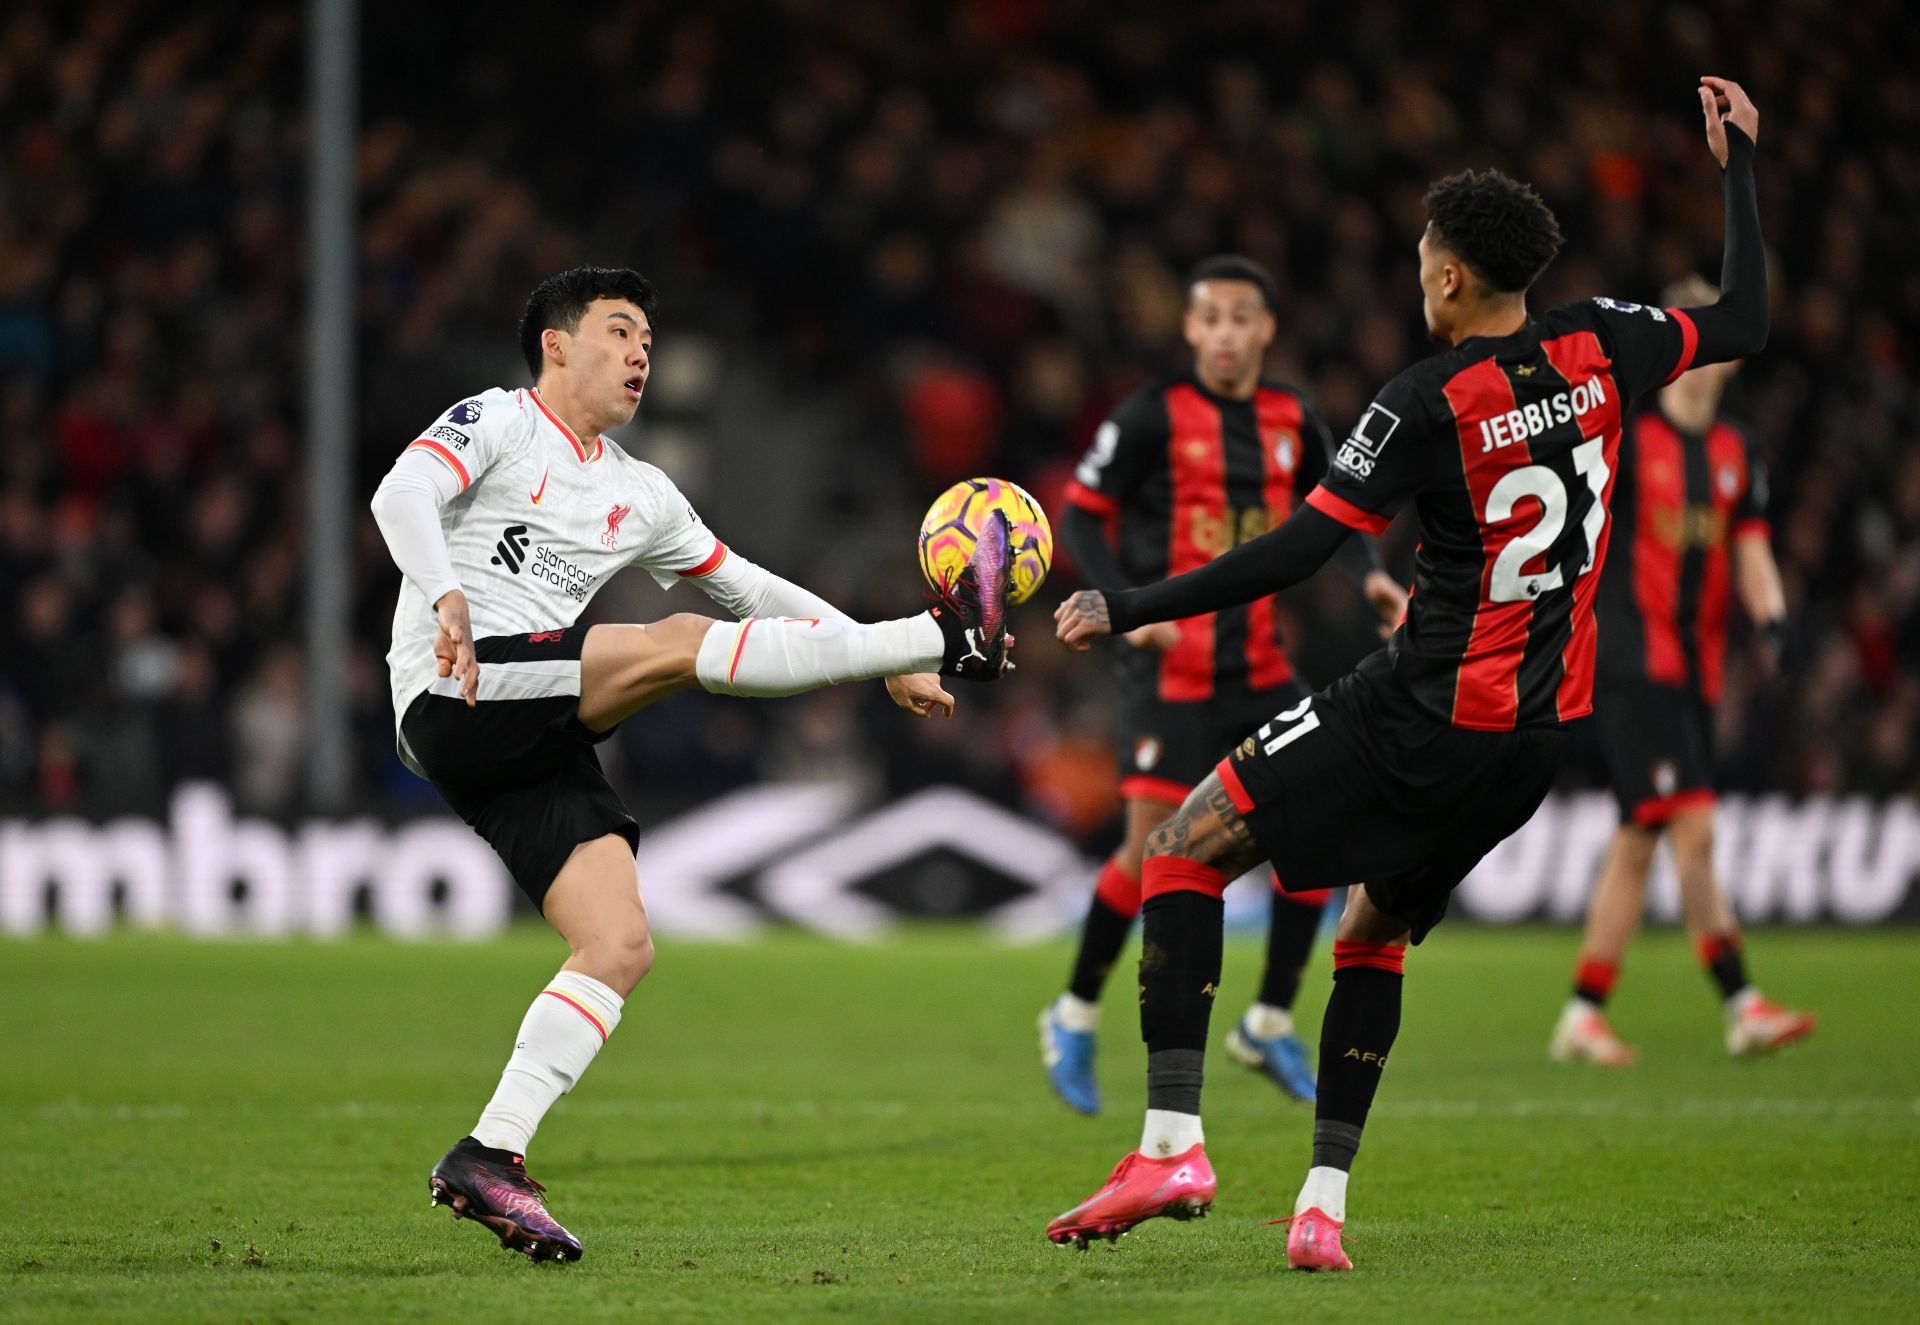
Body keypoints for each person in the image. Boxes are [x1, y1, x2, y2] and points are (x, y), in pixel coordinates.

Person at [1043, 78, 1768, 1270]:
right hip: (1535, 744)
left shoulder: (1422, 402)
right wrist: (1737, 161)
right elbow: (1742, 316)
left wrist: (1130, 602)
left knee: (1182, 844)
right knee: (1371, 932)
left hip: (1418, 706)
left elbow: (1299, 547)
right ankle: (1321, 1200)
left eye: (1421, 259)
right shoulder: (1608, 341)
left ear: (1445, 278)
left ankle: (1172, 1139)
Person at [370, 266, 1013, 1262]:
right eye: (619, 332)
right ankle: (933, 632)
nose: (639, 354)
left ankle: (489, 1153)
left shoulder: (640, 491)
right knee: (669, 643)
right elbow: (401, 490)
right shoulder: (498, 421)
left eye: (647, 343)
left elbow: (749, 587)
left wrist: (876, 663)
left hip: (530, 728)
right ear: (554, 343)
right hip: (454, 687)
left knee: (619, 942)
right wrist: (445, 591)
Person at [1041, 255, 1405, 1114]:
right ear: (1191, 330)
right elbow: (1080, 514)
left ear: (1267, 329)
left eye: (1245, 318)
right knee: (1145, 851)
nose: (1229, 333)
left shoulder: (1292, 418)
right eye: (1214, 318)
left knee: (1320, 830)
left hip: (1260, 668)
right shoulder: (1151, 415)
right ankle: (1073, 1009)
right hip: (1170, 669)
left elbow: (1339, 510)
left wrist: (1372, 579)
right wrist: (1131, 609)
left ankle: (1270, 1018)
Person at [1551, 274, 1814, 1067]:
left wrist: (1772, 619)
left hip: (1696, 671)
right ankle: (1741, 1000)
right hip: (1634, 664)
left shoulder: (1738, 453)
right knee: (1693, 826)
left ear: (1727, 355)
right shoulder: (1629, 436)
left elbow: (1752, 549)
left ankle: (1582, 1011)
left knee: (1641, 838)